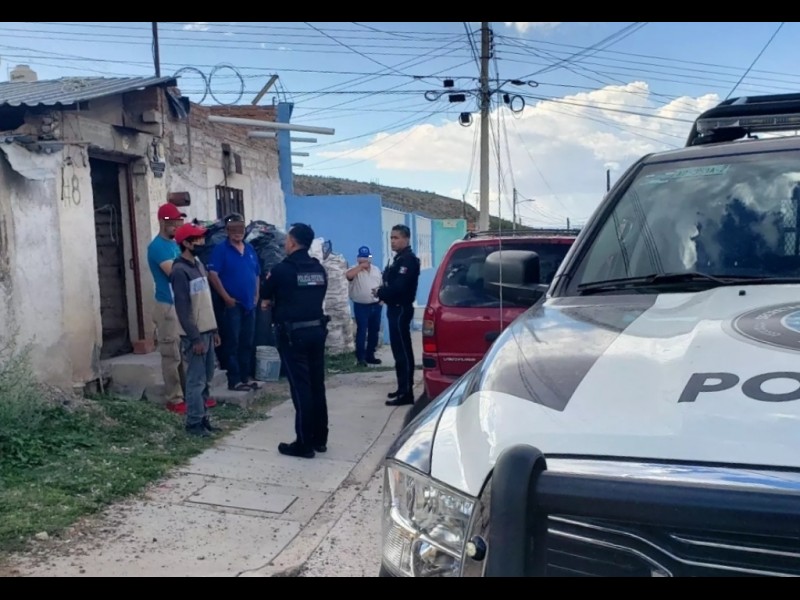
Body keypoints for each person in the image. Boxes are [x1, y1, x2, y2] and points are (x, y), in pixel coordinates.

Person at [261, 223, 329, 459]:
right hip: (317, 332)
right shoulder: (318, 269)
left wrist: (273, 301)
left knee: (301, 389)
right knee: (317, 385)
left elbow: (265, 295)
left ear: (291, 242)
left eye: (287, 239)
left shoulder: (282, 270)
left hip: (293, 336)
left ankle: (304, 443)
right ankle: (320, 439)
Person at [170, 223, 223, 437]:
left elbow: (205, 302)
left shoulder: (198, 264)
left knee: (206, 379)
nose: (202, 242)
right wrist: (195, 338)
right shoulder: (179, 271)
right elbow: (183, 310)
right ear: (186, 243)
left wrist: (214, 329)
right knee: (196, 380)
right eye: (197, 239)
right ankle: (193, 423)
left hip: (207, 330)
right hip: (195, 335)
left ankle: (203, 418)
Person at [207, 213, 262, 393]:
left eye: (240, 229)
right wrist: (226, 297)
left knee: (247, 342)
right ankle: (235, 380)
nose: (238, 233)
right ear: (227, 231)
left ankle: (245, 378)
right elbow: (213, 275)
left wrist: (256, 295)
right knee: (232, 343)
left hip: (249, 305)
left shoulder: (250, 249)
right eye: (233, 229)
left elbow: (256, 274)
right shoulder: (220, 250)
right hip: (232, 305)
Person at [147, 203, 193, 415]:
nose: (176, 226)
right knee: (171, 354)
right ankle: (174, 398)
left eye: (178, 222)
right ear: (162, 222)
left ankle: (188, 393)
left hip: (180, 304)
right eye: (172, 222)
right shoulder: (157, 247)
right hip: (167, 305)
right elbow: (174, 273)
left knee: (183, 353)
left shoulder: (176, 245)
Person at [375, 224, 420, 407]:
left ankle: (406, 392)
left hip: (401, 308)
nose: (392, 241)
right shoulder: (398, 259)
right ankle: (402, 388)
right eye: (391, 238)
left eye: (396, 238)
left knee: (402, 352)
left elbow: (399, 287)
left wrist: (381, 292)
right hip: (394, 308)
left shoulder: (408, 260)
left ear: (406, 239)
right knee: (398, 351)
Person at [345, 245, 383, 367]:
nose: (364, 259)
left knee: (374, 331)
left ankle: (370, 355)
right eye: (362, 257)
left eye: (367, 257)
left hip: (376, 305)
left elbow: (381, 284)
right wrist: (361, 267)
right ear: (358, 258)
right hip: (361, 306)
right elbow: (348, 276)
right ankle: (360, 357)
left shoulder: (376, 270)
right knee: (362, 331)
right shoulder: (354, 269)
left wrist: (381, 300)